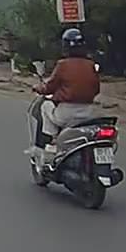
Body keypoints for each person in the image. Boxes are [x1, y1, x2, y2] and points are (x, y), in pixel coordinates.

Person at [29, 28, 101, 168]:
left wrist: (38, 88)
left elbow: (49, 87)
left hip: (66, 113)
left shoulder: (63, 65)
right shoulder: (91, 65)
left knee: (45, 106)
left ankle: (52, 139)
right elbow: (96, 89)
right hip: (88, 113)